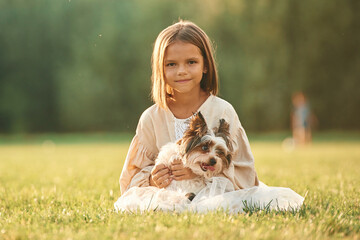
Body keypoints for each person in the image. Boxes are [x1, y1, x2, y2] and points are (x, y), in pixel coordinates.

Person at [115, 20, 303, 213]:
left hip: (215, 195)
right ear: (160, 69)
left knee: (236, 204)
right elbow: (131, 177)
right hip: (166, 196)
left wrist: (198, 171)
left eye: (191, 62)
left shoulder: (223, 111)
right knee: (137, 205)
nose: (181, 70)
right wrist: (152, 179)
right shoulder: (151, 118)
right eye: (171, 64)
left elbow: (243, 174)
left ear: (205, 65)